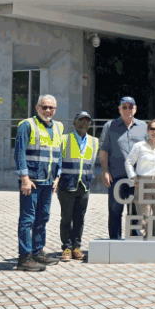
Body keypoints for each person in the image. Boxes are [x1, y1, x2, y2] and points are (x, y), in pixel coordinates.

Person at [14, 94, 63, 270]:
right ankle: (24, 258)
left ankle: (38, 252)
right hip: (32, 181)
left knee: (43, 218)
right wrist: (24, 178)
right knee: (27, 220)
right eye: (44, 107)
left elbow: (58, 155)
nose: (48, 110)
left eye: (51, 108)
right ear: (37, 108)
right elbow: (19, 153)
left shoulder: (58, 127)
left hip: (48, 181)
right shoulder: (27, 125)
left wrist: (57, 177)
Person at [99, 97, 148, 239]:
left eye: (130, 106)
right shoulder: (110, 126)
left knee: (136, 212)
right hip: (116, 176)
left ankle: (135, 241)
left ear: (135, 108)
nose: (128, 109)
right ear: (119, 109)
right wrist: (105, 171)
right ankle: (115, 241)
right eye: (124, 107)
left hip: (137, 178)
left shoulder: (143, 127)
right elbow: (103, 150)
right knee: (115, 211)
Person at [57, 111, 99, 262]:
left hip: (84, 185)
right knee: (66, 218)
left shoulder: (94, 141)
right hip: (66, 184)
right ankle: (67, 248)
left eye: (87, 121)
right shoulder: (64, 139)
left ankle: (76, 247)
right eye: (81, 121)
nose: (84, 124)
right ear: (74, 123)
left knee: (80, 218)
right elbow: (58, 161)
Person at [125, 120, 155, 237]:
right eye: (152, 129)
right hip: (143, 183)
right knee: (143, 217)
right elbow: (128, 162)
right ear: (148, 130)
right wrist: (133, 177)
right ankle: (141, 246)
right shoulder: (139, 146)